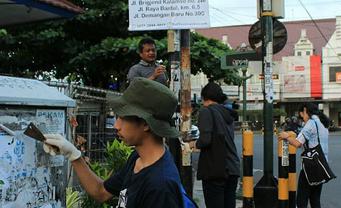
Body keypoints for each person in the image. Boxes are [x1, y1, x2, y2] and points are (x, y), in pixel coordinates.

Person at [43, 78, 189, 208]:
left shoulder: (160, 186)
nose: (116, 125)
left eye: (122, 117)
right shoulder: (138, 158)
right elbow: (101, 192)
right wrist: (73, 155)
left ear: (145, 124)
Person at [189, 82, 240, 208]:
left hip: (215, 169)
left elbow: (206, 140)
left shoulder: (206, 112)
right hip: (232, 168)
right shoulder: (227, 113)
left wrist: (193, 143)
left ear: (204, 97)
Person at [278, 103, 330, 208]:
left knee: (301, 199)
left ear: (306, 112)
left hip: (310, 166)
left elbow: (298, 143)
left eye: (302, 113)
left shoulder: (311, 123)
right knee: (315, 199)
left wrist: (286, 136)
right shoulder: (323, 123)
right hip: (322, 165)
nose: (302, 116)